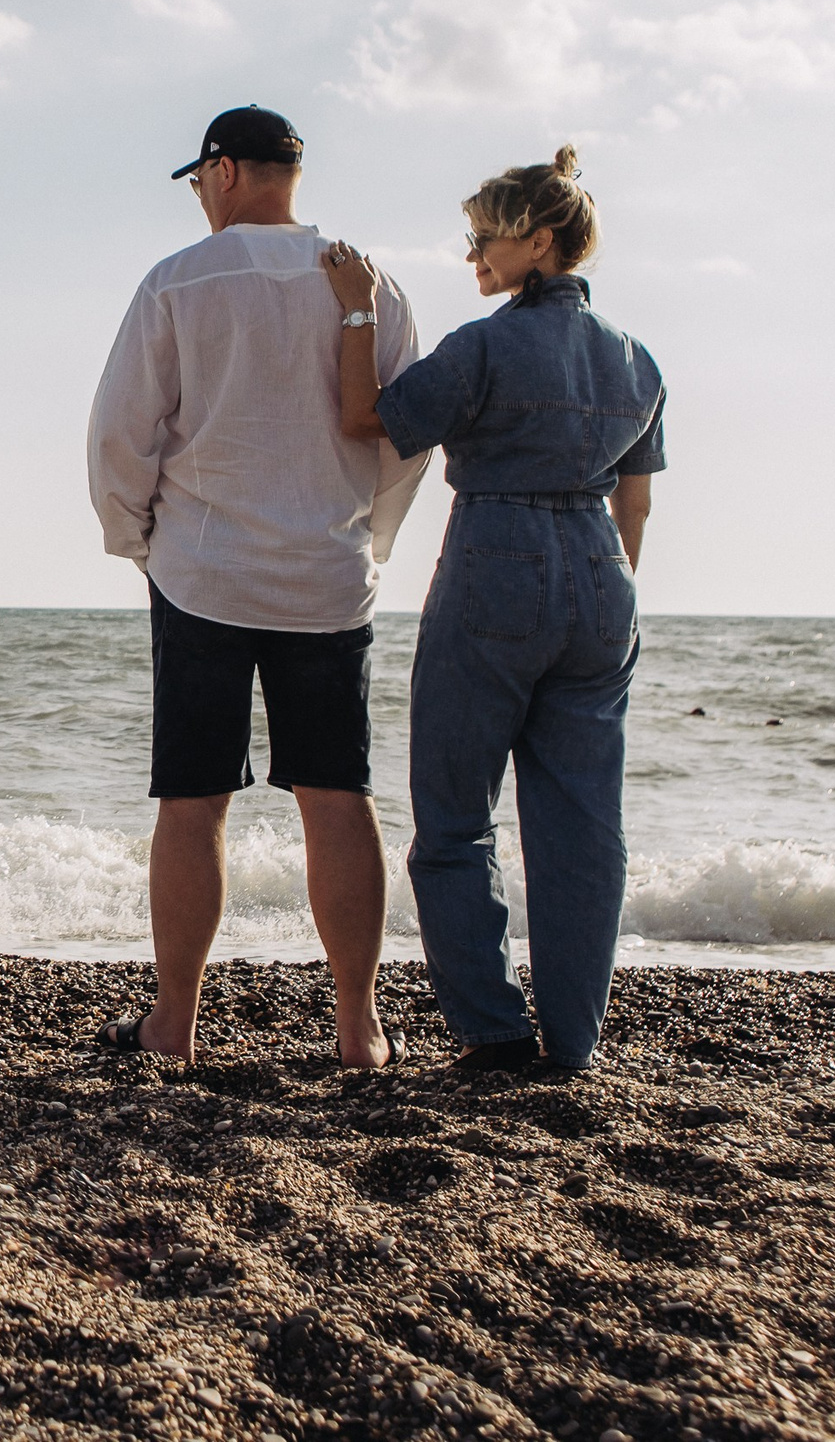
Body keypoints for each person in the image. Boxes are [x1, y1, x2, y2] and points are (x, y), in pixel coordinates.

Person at [86, 106, 430, 1067]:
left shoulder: (178, 283)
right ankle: (359, 1029)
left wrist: (137, 540)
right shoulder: (368, 280)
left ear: (225, 169)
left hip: (203, 570)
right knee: (337, 793)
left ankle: (175, 1024)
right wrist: (369, 534)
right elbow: (407, 426)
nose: (199, 195)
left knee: (193, 801)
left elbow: (123, 431)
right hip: (327, 576)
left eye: (199, 179)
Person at [324, 147, 663, 1072]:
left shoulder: (482, 347)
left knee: (455, 817)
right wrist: (608, 591)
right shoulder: (637, 360)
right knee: (583, 825)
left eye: (485, 237)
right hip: (602, 572)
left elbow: (369, 417)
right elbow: (635, 503)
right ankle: (575, 1041)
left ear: (540, 241)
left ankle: (495, 1029)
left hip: (496, 558)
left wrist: (357, 307)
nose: (472, 254)